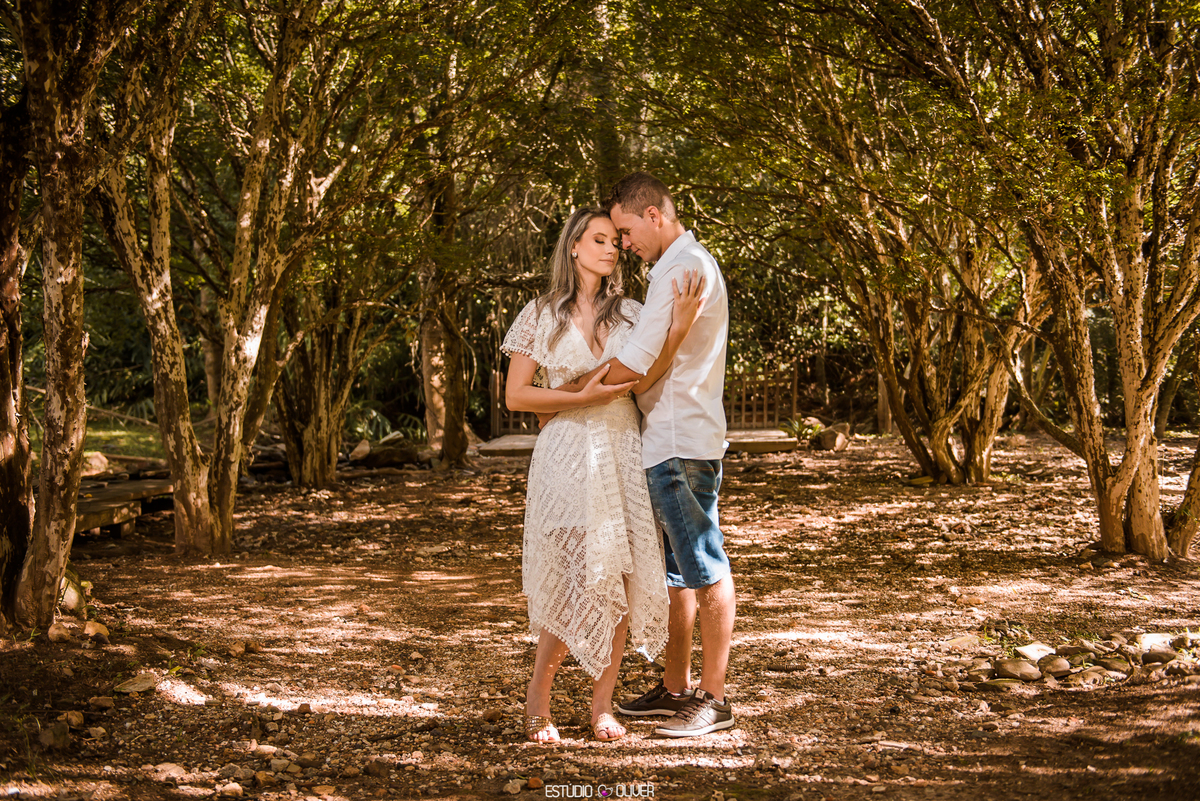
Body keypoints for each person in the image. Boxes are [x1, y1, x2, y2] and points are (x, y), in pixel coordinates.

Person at [501, 206, 705, 743]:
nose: (611, 249)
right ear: (573, 247)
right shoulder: (540, 313)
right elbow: (515, 394)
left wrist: (679, 329)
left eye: (616, 240)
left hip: (621, 448)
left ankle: (602, 707)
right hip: (565, 454)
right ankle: (538, 701)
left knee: (617, 578)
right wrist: (580, 396)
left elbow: (641, 382)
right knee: (570, 580)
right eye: (599, 239)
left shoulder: (634, 313)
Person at [560, 172, 734, 737]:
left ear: (655, 216)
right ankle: (676, 687)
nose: (625, 242)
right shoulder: (678, 267)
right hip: (670, 439)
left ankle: (713, 698)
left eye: (628, 229)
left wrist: (559, 396)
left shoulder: (681, 269)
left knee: (705, 564)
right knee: (680, 573)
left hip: (680, 443)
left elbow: (634, 364)